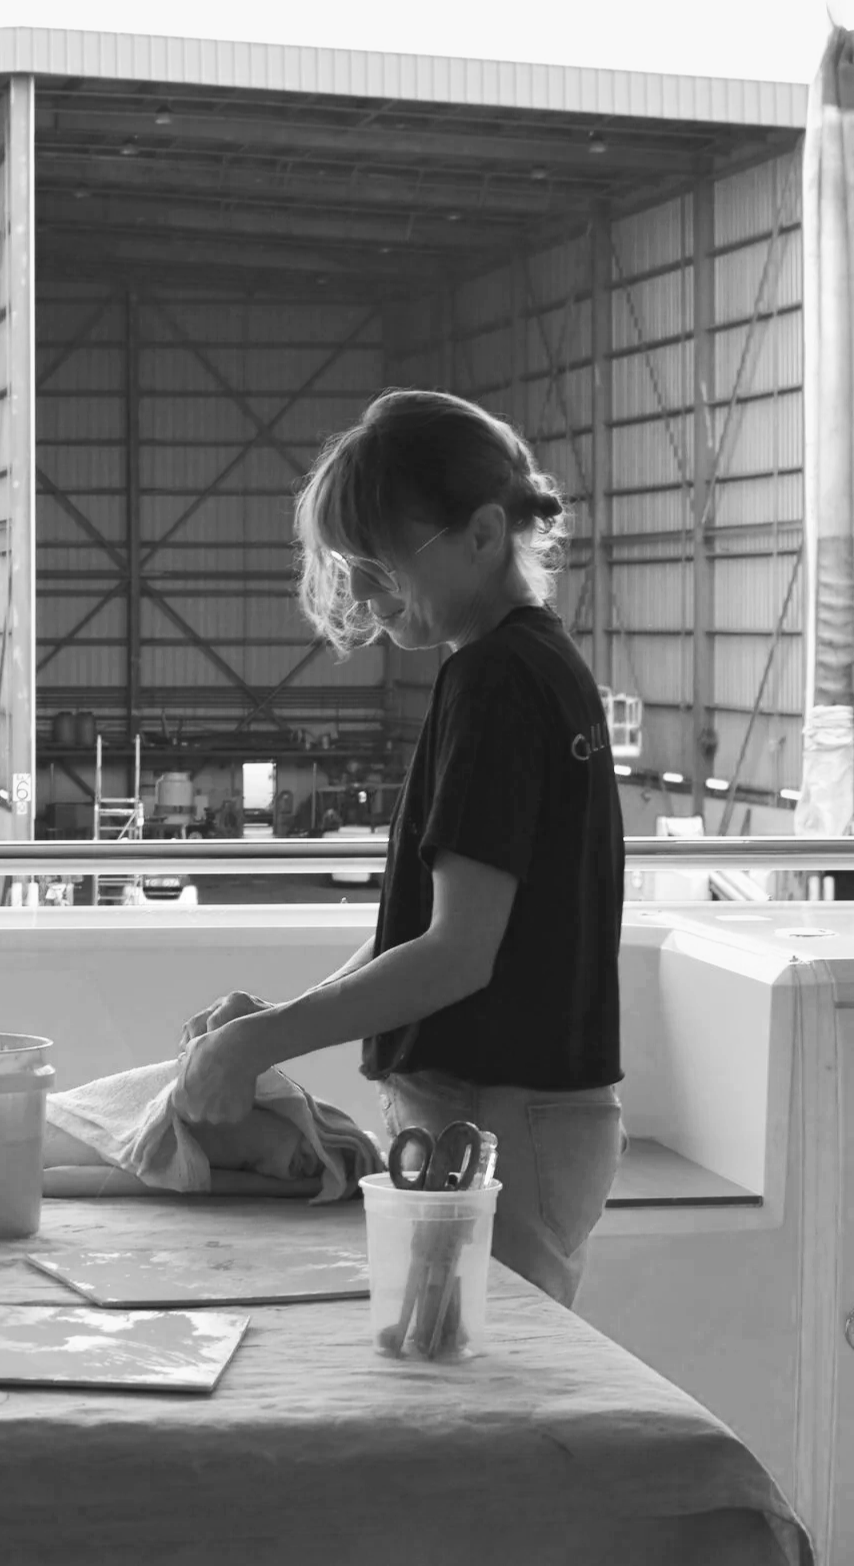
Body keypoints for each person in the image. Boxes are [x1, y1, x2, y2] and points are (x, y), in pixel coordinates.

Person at [173, 388, 625, 1308]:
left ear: (484, 534)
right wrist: (278, 1020)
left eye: (382, 564)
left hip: (495, 1112)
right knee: (453, 1366)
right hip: (523, 1114)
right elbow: (422, 929)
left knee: (469, 1384)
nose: (367, 596)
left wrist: (262, 1043)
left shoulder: (494, 681)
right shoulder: (535, 664)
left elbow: (458, 956)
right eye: (355, 568)